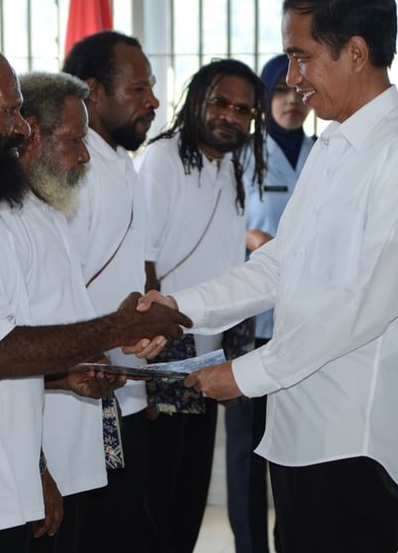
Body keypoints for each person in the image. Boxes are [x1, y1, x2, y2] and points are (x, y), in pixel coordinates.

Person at [139, 0, 398, 552]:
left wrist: (245, 375)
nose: (290, 79)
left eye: (301, 56)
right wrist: (178, 308)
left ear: (356, 52)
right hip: (297, 428)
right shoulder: (334, 147)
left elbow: (369, 304)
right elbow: (279, 265)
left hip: (348, 438)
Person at [0, 39, 191, 551]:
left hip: (6, 475)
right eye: (11, 112)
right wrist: (119, 329)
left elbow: (2, 351)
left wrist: (68, 375)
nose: (19, 127)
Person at [134, 58, 266, 553]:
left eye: (243, 109)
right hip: (164, 352)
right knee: (157, 499)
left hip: (205, 355)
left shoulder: (230, 165)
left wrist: (234, 354)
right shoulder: (163, 159)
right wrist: (155, 357)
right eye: (221, 103)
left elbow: (232, 265)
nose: (231, 116)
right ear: (196, 101)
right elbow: (143, 261)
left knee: (188, 497)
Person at [14, 70, 125, 553]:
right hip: (38, 458)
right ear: (31, 132)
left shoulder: (46, 207)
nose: (84, 156)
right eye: (76, 140)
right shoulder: (3, 218)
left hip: (73, 453)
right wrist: (35, 468)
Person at [62, 31, 161, 552]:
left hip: (123, 392)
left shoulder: (122, 165)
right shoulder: (72, 173)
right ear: (94, 92)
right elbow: (58, 294)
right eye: (139, 88)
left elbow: (131, 278)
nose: (153, 101)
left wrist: (140, 387)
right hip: (84, 399)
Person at [226, 53, 314, 553]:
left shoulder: (325, 151)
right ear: (263, 100)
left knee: (294, 448)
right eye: (280, 92)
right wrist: (250, 237)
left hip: (303, 326)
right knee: (245, 451)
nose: (292, 101)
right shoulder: (242, 154)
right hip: (251, 324)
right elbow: (219, 223)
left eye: (300, 92)